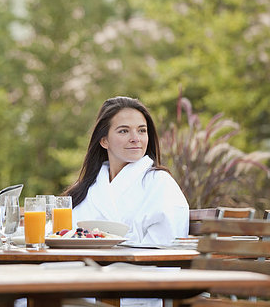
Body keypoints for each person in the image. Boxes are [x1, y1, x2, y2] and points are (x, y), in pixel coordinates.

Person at [66, 96, 189, 245]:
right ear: (104, 140)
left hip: (138, 267)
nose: (135, 138)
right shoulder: (89, 188)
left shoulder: (160, 183)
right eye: (124, 131)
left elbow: (166, 245)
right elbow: (60, 233)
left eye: (142, 130)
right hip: (80, 265)